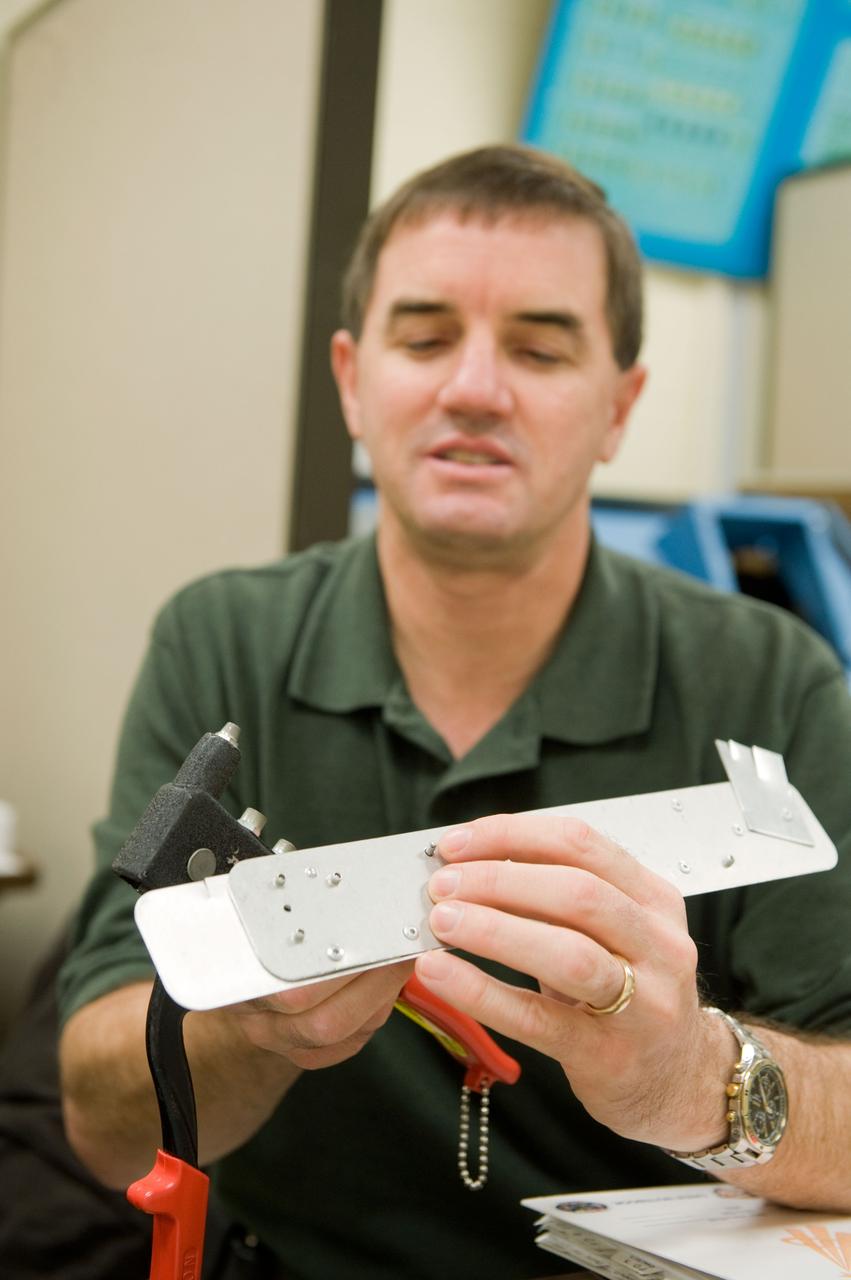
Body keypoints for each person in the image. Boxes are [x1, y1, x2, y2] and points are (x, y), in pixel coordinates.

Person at [58, 145, 851, 1280]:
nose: (473, 387)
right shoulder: (218, 637)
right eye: (425, 338)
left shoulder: (768, 675)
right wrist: (244, 1021)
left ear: (619, 404)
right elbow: (97, 1120)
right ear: (350, 379)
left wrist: (695, 1078)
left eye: (538, 346)